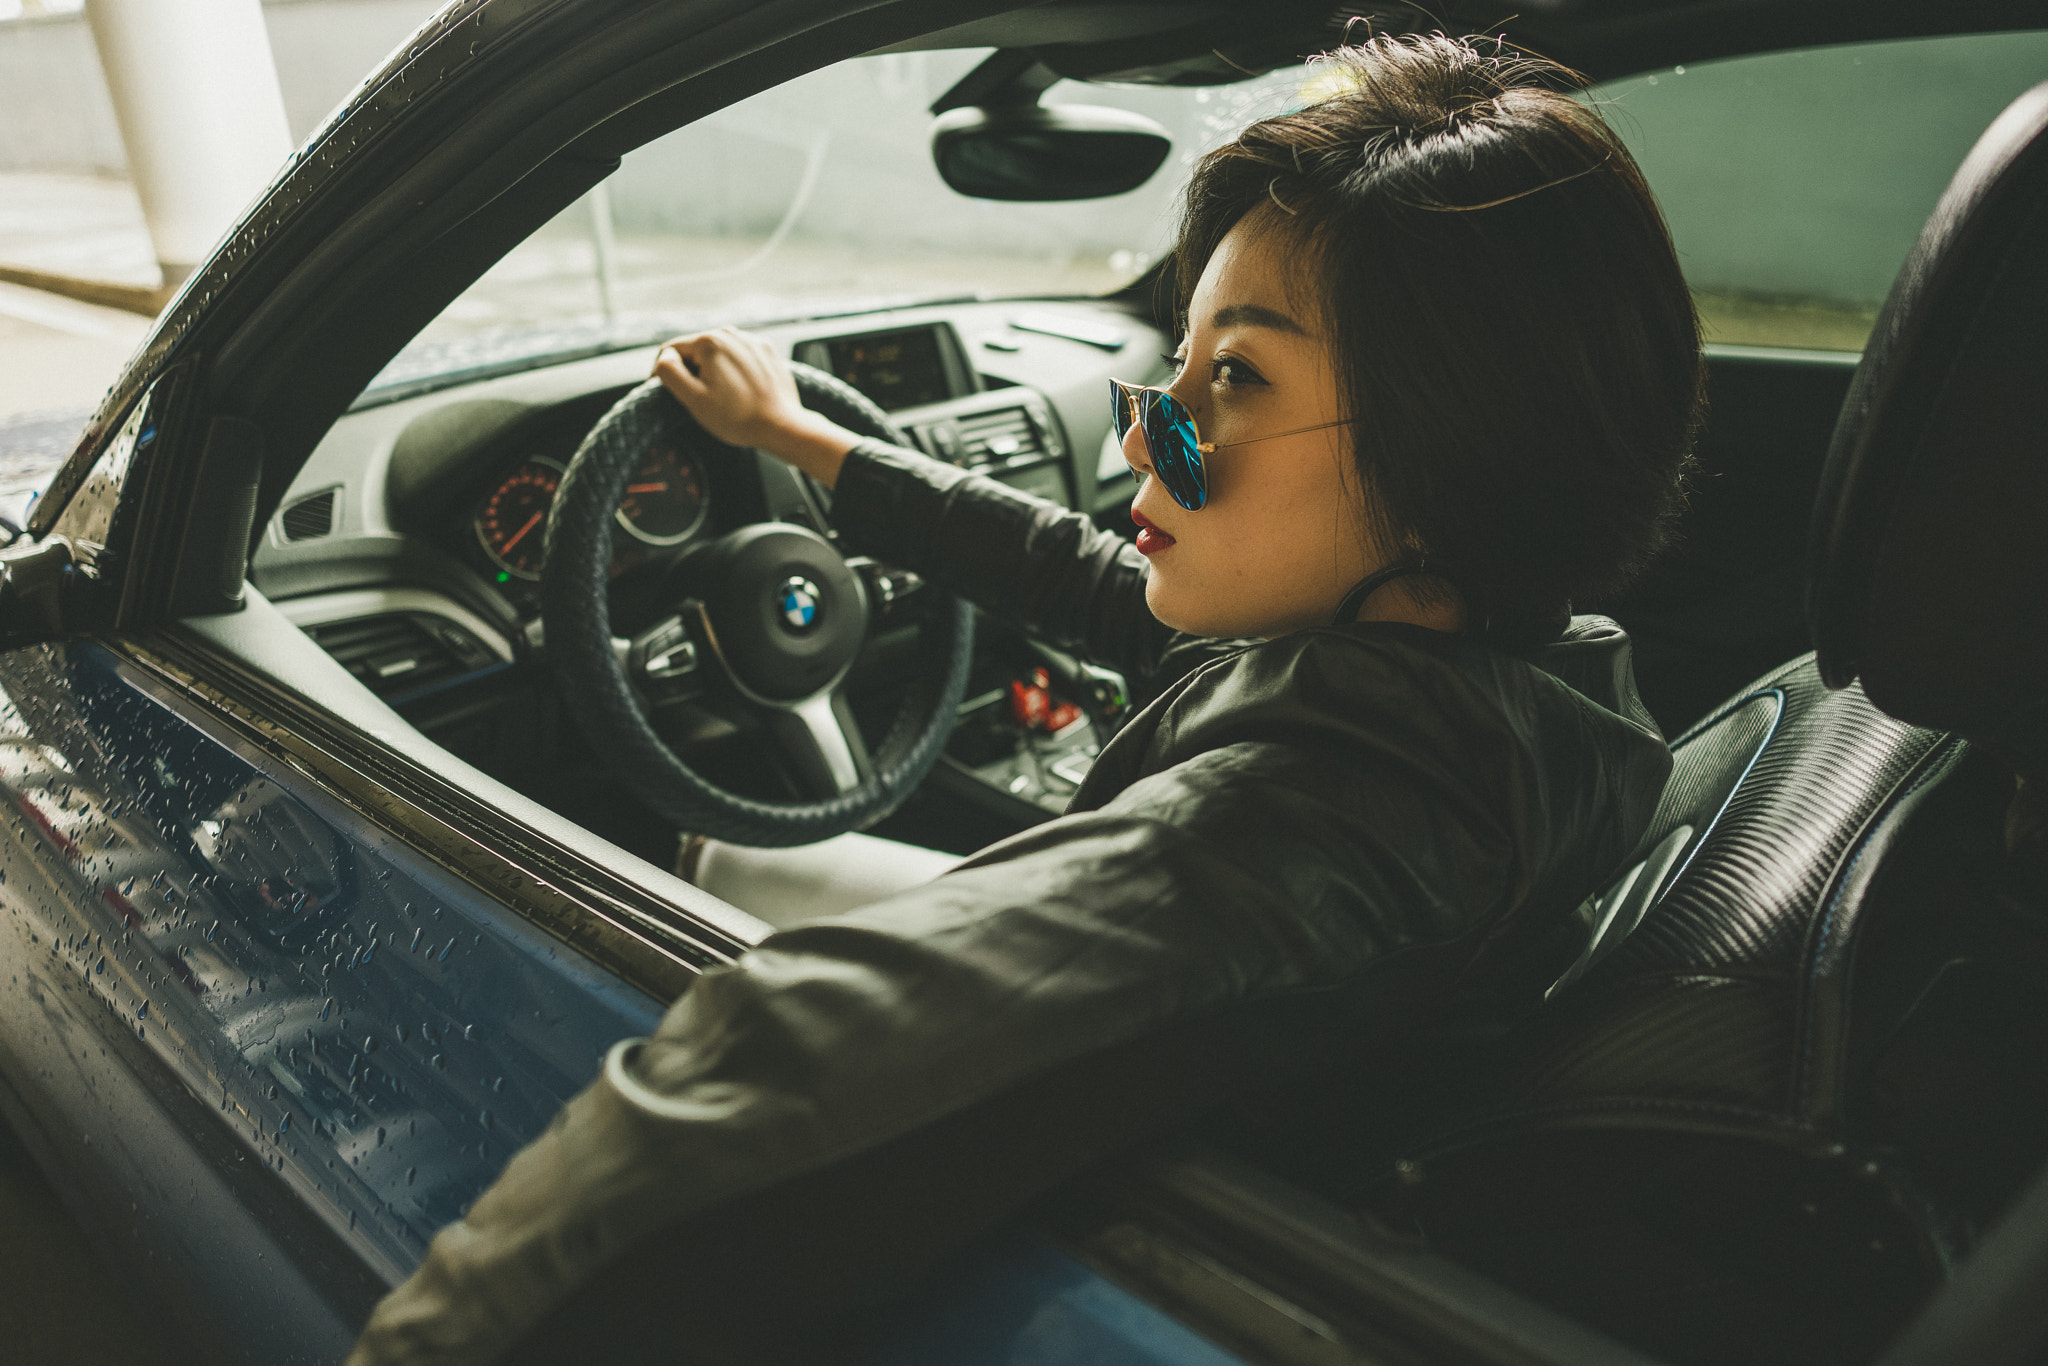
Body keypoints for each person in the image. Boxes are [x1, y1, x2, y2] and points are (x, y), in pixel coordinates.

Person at [348, 32, 1701, 1365]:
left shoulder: (1312, 818)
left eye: (1233, 376)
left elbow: (771, 1058)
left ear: (1450, 448)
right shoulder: (1524, 666)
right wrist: (809, 445)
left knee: (692, 852)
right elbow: (1092, 578)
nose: (1138, 431)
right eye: (1175, 362)